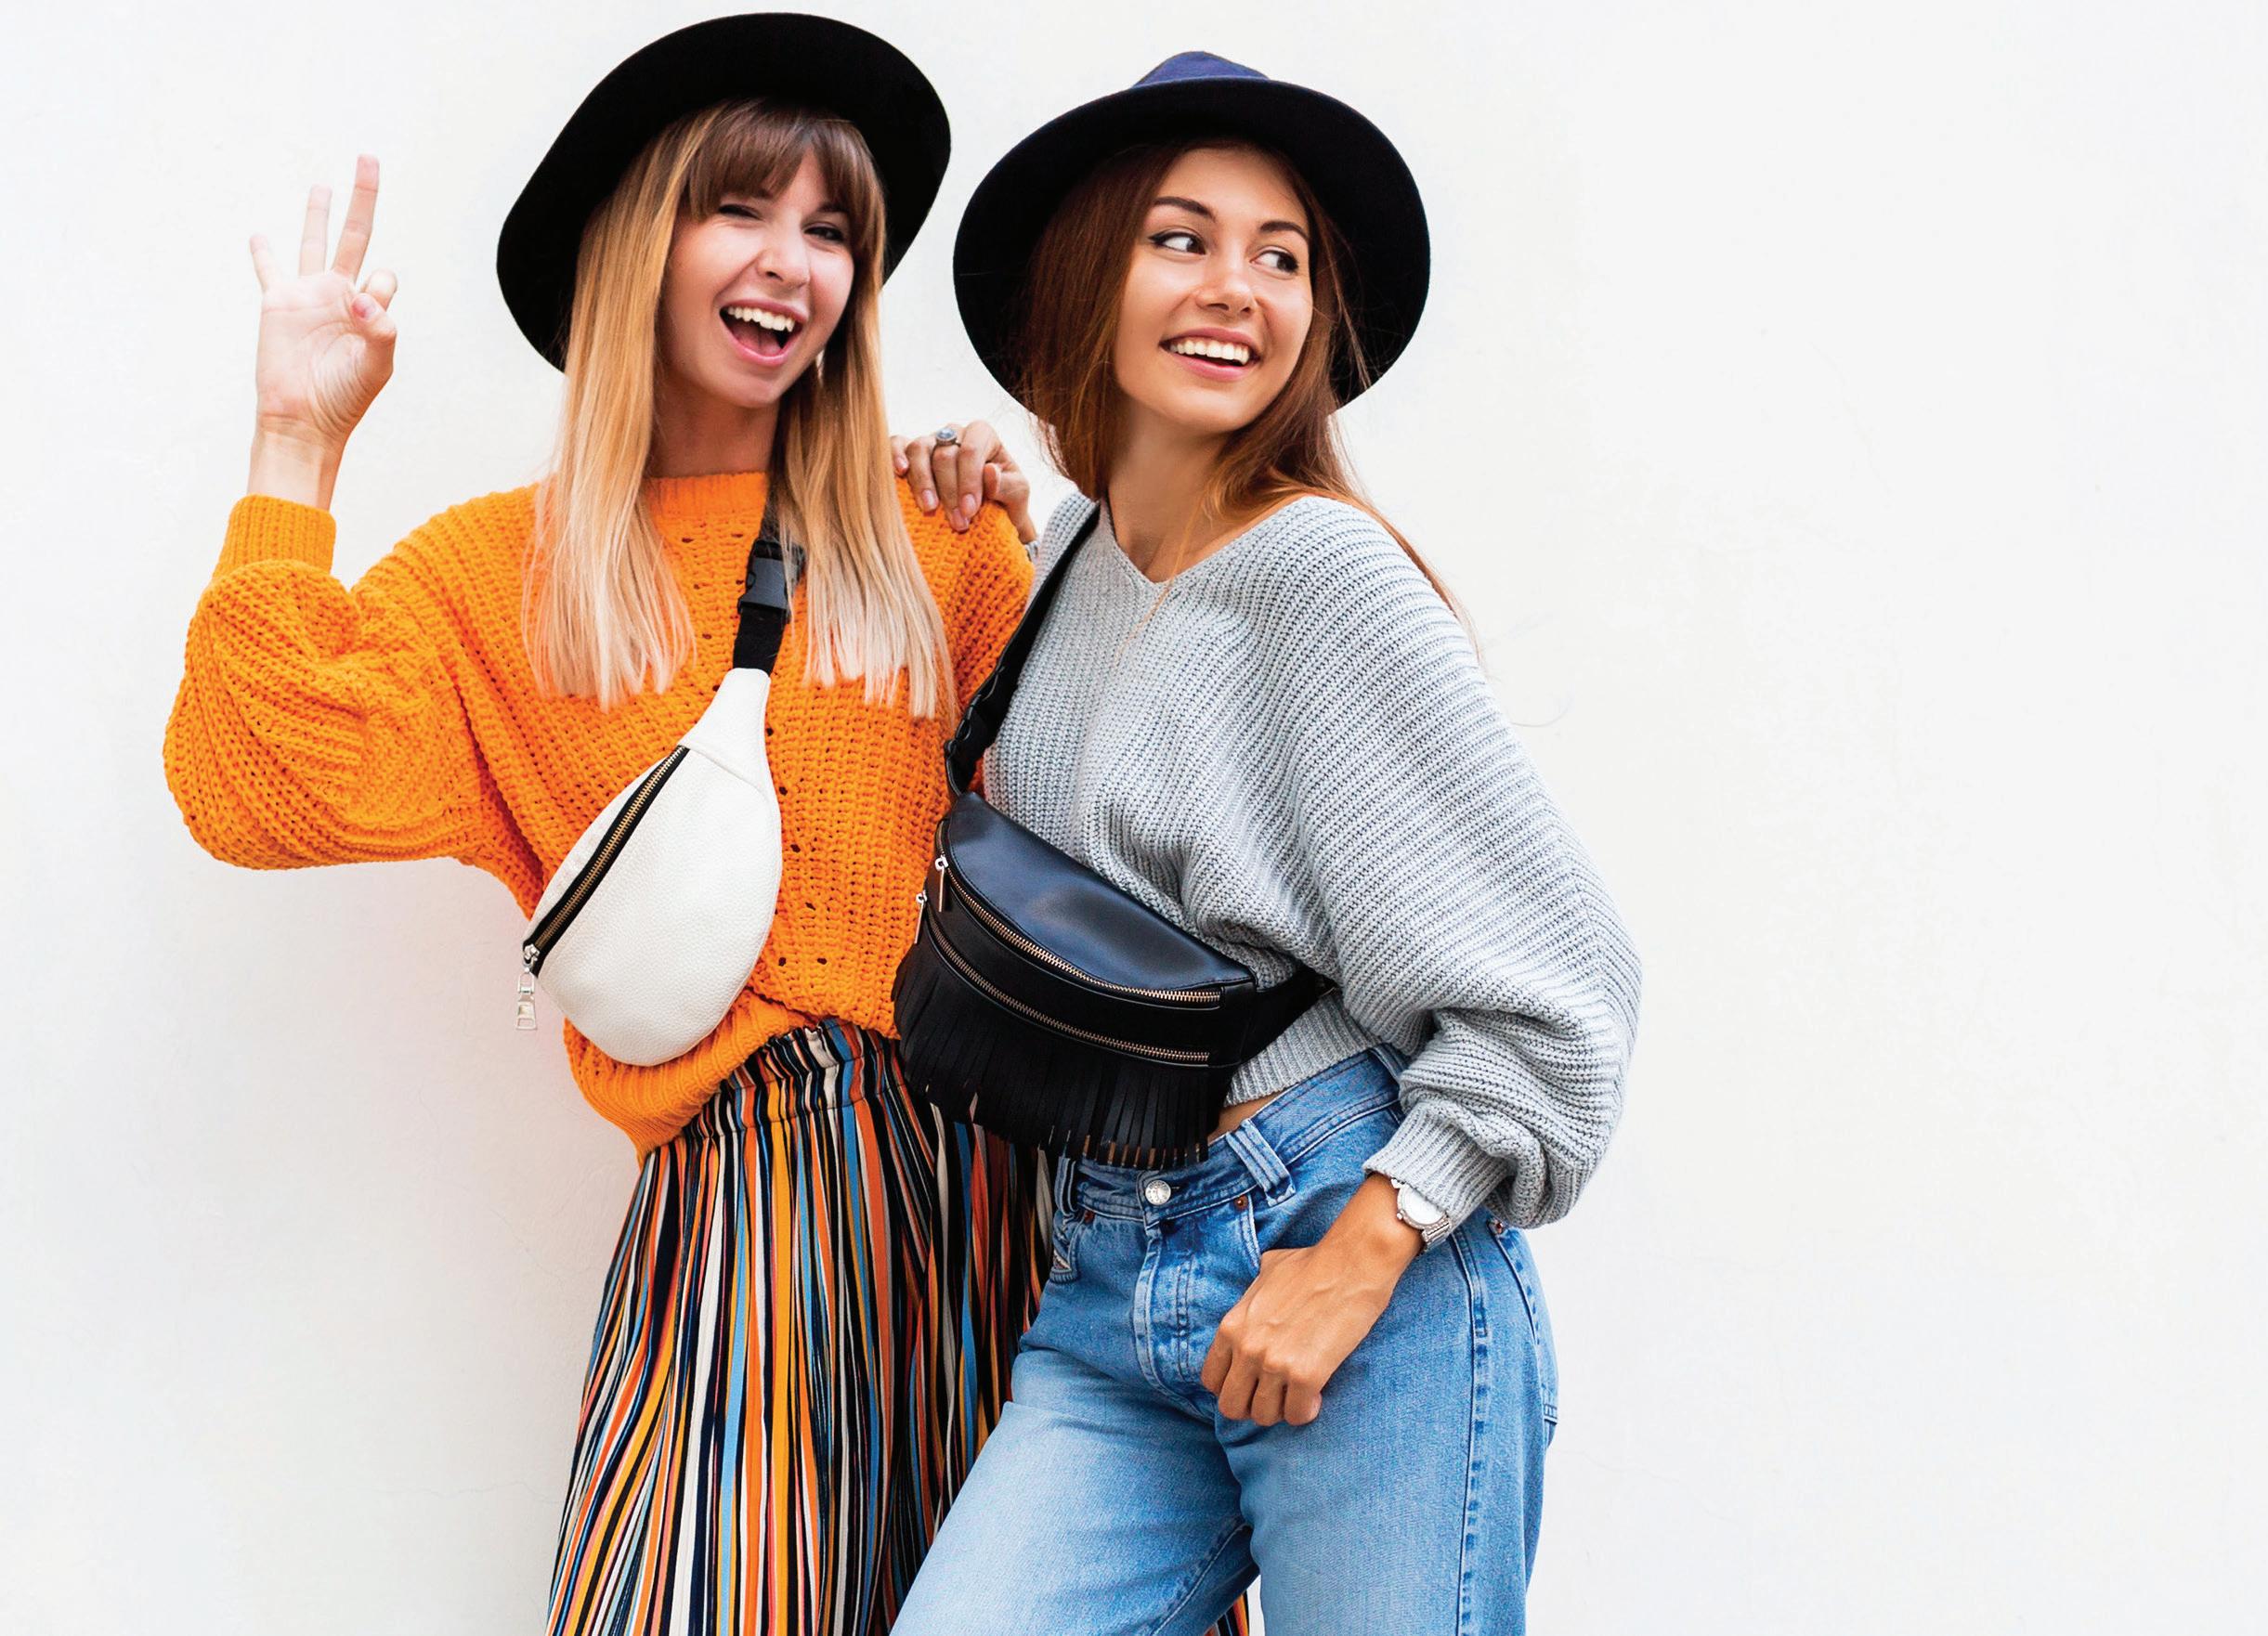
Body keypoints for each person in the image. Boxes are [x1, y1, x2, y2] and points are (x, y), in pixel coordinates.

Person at [158, 18, 1128, 1635]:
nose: (792, 262)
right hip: (744, 1207)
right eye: (739, 208)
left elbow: (1108, 839)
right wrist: (297, 441)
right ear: (638, 243)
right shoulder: (504, 574)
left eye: (833, 229)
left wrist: (1042, 542)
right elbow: (249, 779)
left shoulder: (930, 541)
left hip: (1003, 1202)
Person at [889, 53, 1641, 1636]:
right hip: (1112, 1269)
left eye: (1280, 256)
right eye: (1182, 239)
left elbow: (1569, 991)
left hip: (1342, 1248)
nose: (1238, 286)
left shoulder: (1321, 575)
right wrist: (969, 499)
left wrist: (1365, 1249)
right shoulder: (1070, 558)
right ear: (1087, 280)